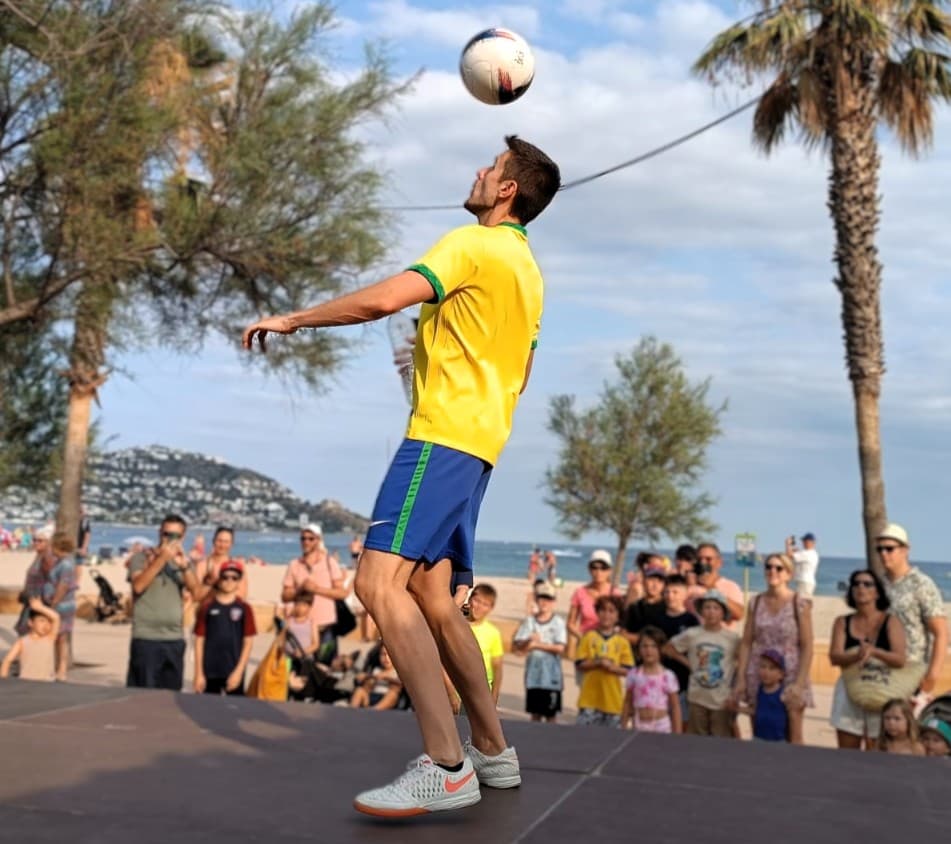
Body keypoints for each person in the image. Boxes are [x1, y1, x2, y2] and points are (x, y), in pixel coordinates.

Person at [242, 135, 561, 817]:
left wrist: (294, 318)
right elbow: (521, 373)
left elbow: (384, 301)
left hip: (440, 438)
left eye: (491, 168)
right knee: (432, 594)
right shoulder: (527, 271)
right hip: (480, 444)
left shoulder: (471, 244)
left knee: (375, 582)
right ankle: (492, 751)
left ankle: (446, 764)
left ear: (508, 190)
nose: (478, 172)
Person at [733, 553, 814, 744]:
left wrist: (800, 682)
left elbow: (807, 644)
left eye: (779, 568)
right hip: (759, 670)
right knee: (761, 726)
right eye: (769, 567)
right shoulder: (756, 602)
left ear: (789, 574)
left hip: (790, 671)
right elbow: (746, 641)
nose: (772, 571)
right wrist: (741, 678)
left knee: (793, 731)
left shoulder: (799, 603)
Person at [828, 569, 906, 750]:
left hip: (881, 688)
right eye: (856, 584)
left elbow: (900, 659)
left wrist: (874, 652)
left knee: (877, 753)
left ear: (877, 592)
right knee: (847, 753)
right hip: (850, 689)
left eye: (867, 584)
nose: (860, 587)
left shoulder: (891, 621)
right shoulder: (842, 622)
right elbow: (834, 656)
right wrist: (857, 654)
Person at [126, 514, 201, 690]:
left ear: (183, 537)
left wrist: (183, 566)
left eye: (175, 536)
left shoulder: (182, 562)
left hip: (174, 638)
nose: (169, 539)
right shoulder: (141, 558)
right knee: (141, 696)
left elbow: (196, 593)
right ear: (159, 533)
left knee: (170, 697)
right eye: (166, 534)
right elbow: (138, 586)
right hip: (146, 637)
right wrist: (161, 560)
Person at [876, 523, 948, 697]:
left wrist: (932, 675)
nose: (884, 554)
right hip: (879, 675)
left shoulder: (922, 584)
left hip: (911, 675)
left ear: (905, 550)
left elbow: (941, 633)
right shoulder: (878, 585)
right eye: (879, 549)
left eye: (889, 548)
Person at [665, 590, 740, 738]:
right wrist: (688, 663)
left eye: (716, 608)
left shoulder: (732, 638)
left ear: (723, 613)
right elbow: (669, 648)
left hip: (721, 700)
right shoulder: (692, 634)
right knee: (697, 739)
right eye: (707, 607)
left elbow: (741, 660)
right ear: (701, 611)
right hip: (697, 698)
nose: (711, 612)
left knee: (720, 739)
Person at [280, 524, 348, 665]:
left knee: (325, 671)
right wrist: (299, 590)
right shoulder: (294, 565)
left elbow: (342, 593)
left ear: (318, 540)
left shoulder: (330, 563)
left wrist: (316, 589)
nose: (306, 542)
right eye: (303, 538)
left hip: (325, 626)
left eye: (311, 538)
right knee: (299, 673)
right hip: (301, 627)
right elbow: (284, 596)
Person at [17, 525, 78, 681]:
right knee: (55, 636)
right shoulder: (60, 561)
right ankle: (52, 668)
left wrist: (51, 605)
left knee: (59, 636)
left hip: (60, 604)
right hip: (52, 602)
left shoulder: (65, 563)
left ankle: (60, 669)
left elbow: (63, 586)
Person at [194, 560, 256, 696]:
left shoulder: (245, 608)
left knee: (234, 711)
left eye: (234, 578)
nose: (229, 581)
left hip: (233, 670)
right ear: (220, 579)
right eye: (225, 577)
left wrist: (239, 671)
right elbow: (199, 640)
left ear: (239, 581)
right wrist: (198, 673)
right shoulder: (207, 607)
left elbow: (248, 642)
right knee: (208, 711)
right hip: (209, 671)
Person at [512, 580, 567, 723]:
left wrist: (536, 645)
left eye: (548, 599)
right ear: (537, 599)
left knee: (551, 715)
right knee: (535, 715)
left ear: (554, 601)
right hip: (533, 678)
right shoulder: (530, 622)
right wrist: (528, 642)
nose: (545, 602)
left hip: (552, 680)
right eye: (542, 598)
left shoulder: (558, 623)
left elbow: (560, 648)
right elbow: (518, 645)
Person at [575, 596, 634, 727]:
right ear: (597, 613)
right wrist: (598, 662)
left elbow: (628, 669)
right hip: (589, 701)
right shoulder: (589, 637)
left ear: (618, 616)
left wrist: (613, 667)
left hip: (613, 701)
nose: (607, 614)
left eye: (611, 611)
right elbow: (579, 663)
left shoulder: (622, 642)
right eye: (603, 610)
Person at [655, 573, 699, 723]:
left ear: (685, 594)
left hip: (683, 678)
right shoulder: (657, 618)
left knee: (682, 720)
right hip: (660, 676)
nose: (670, 596)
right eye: (667, 592)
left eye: (675, 592)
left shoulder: (691, 620)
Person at [621, 626, 682, 734]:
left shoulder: (668, 676)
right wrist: (623, 726)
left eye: (654, 646)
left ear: (660, 649)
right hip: (639, 724)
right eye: (644, 646)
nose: (649, 650)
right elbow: (627, 702)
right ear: (639, 649)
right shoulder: (634, 674)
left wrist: (677, 733)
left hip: (661, 726)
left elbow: (675, 706)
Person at [567, 549, 625, 647]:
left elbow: (621, 622)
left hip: (608, 644)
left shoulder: (615, 594)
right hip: (586, 643)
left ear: (609, 571)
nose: (599, 572)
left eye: (603, 568)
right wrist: (582, 637)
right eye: (595, 568)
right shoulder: (580, 592)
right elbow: (570, 623)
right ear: (590, 569)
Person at [685, 543, 744, 628]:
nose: (703, 562)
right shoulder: (689, 584)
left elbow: (739, 614)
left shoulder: (730, 586)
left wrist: (711, 588)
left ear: (719, 563)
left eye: (708, 559)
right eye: (699, 559)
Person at [1, 598, 60, 682]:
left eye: (49, 622)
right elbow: (7, 661)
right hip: (26, 684)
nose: (46, 625)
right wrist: (4, 682)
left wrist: (40, 608)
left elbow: (56, 617)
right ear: (30, 623)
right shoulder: (22, 642)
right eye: (42, 621)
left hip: (47, 684)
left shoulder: (50, 638)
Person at [467, 583, 505, 707]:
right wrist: (450, 693)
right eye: (477, 601)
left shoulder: (493, 633)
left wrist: (493, 699)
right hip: (454, 691)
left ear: (490, 608)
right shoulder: (456, 626)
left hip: (481, 694)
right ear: (469, 600)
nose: (479, 607)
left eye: (485, 604)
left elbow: (497, 669)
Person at [196, 527, 248, 601]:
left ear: (231, 544)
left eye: (226, 542)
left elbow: (242, 595)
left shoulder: (237, 565)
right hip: (208, 609)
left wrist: (219, 584)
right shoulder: (203, 565)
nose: (222, 545)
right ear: (213, 541)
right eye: (219, 541)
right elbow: (196, 595)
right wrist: (211, 581)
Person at [622, 565, 668, 646]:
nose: (655, 585)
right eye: (651, 580)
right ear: (644, 581)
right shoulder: (635, 607)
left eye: (659, 581)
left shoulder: (668, 607)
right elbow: (624, 633)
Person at [750, 648, 789, 742]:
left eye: (772, 668)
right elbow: (755, 710)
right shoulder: (759, 690)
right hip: (758, 737)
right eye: (763, 667)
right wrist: (737, 708)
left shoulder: (784, 692)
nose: (766, 672)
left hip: (778, 739)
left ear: (781, 674)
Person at [350, 646, 403, 710]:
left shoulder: (396, 671)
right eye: (383, 654)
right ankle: (351, 712)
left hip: (386, 698)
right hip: (371, 696)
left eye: (389, 654)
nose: (386, 658)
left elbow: (401, 684)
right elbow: (367, 686)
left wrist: (387, 678)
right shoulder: (376, 670)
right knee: (359, 690)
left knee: (393, 694)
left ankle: (374, 710)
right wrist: (366, 678)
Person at [786, 532, 820, 600]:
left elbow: (789, 555)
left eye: (805, 541)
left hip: (804, 582)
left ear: (811, 542)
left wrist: (788, 544)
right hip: (805, 582)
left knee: (800, 604)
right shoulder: (812, 553)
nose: (803, 543)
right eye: (803, 541)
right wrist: (796, 551)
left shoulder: (807, 553)